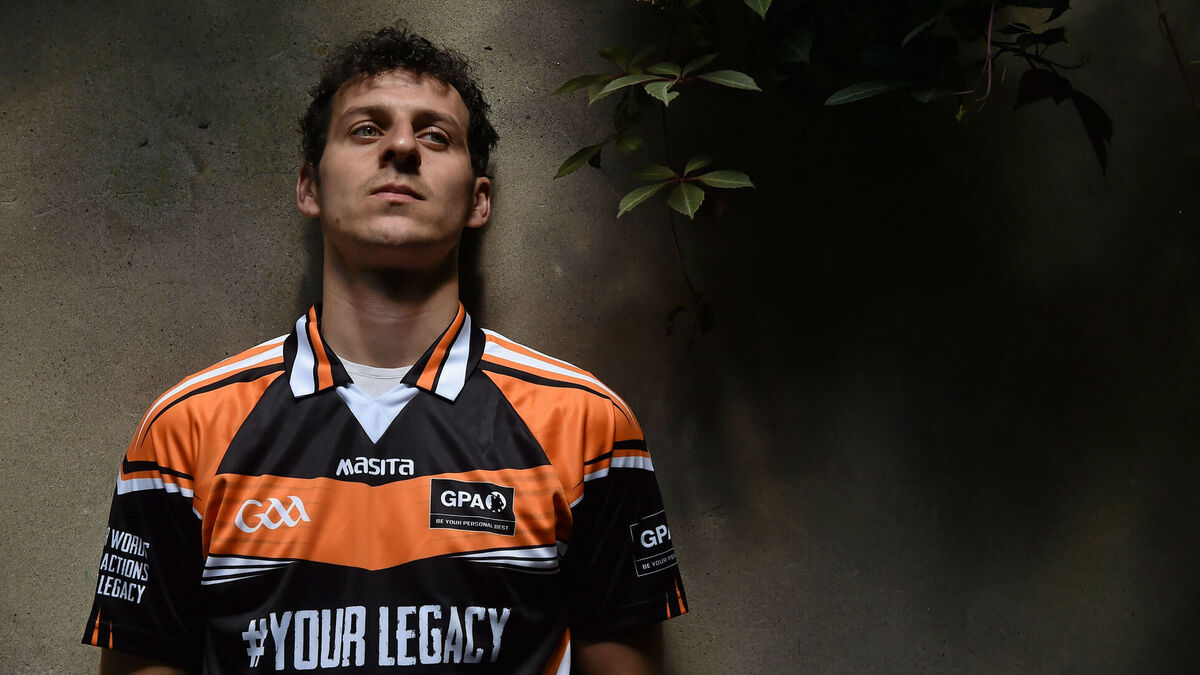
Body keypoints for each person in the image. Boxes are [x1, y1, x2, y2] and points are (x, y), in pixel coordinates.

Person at [83, 26, 688, 674]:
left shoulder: (586, 425)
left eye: (436, 136)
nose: (401, 147)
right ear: (309, 187)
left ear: (478, 200)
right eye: (367, 129)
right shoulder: (186, 432)